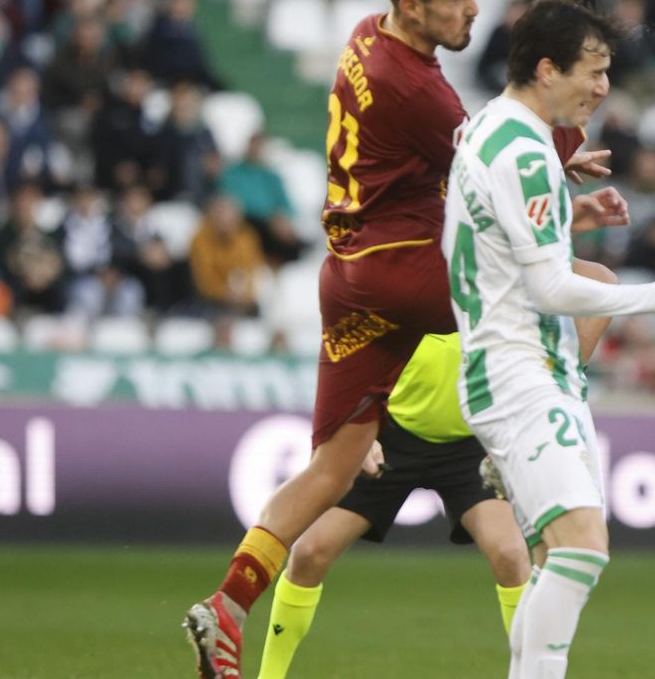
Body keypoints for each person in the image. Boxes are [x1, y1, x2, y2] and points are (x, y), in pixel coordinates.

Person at [183, 0, 609, 678]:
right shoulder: (411, 84)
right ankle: (524, 444)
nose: (471, 11)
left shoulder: (363, 34)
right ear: (411, 6)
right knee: (575, 292)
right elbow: (487, 151)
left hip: (346, 279)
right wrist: (565, 158)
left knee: (331, 471)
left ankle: (228, 602)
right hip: (402, 267)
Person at [443, 0, 655, 678]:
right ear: (545, 69)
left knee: (552, 557)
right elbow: (550, 288)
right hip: (518, 370)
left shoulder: (486, 129)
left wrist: (567, 210)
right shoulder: (528, 154)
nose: (603, 86)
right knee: (582, 548)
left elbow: (493, 236)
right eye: (591, 70)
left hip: (514, 367)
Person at [257, 262, 617, 679]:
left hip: (471, 445)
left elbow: (603, 284)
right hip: (390, 434)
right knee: (308, 553)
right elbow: (353, 361)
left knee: (511, 554)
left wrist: (565, 377)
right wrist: (360, 433)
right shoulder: (404, 276)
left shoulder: (501, 258)